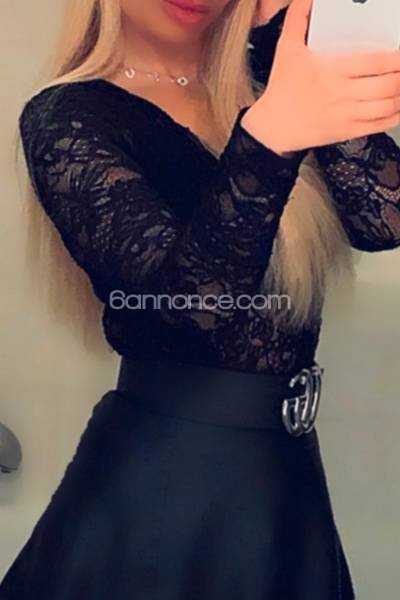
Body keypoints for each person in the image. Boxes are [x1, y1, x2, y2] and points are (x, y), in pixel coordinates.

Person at [1, 0, 400, 598]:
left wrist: (282, 40)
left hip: (284, 471)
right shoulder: (69, 115)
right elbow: (192, 313)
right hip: (171, 481)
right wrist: (271, 137)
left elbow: (383, 219)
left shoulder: (266, 86)